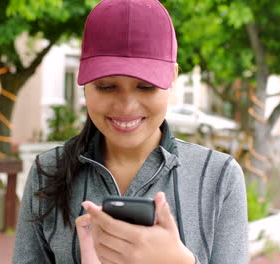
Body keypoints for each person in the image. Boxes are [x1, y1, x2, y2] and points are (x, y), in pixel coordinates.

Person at [13, 0, 248, 263]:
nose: (126, 106)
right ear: (85, 83)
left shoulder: (219, 177)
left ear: (172, 77)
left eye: (145, 86)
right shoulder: (48, 171)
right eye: (106, 86)